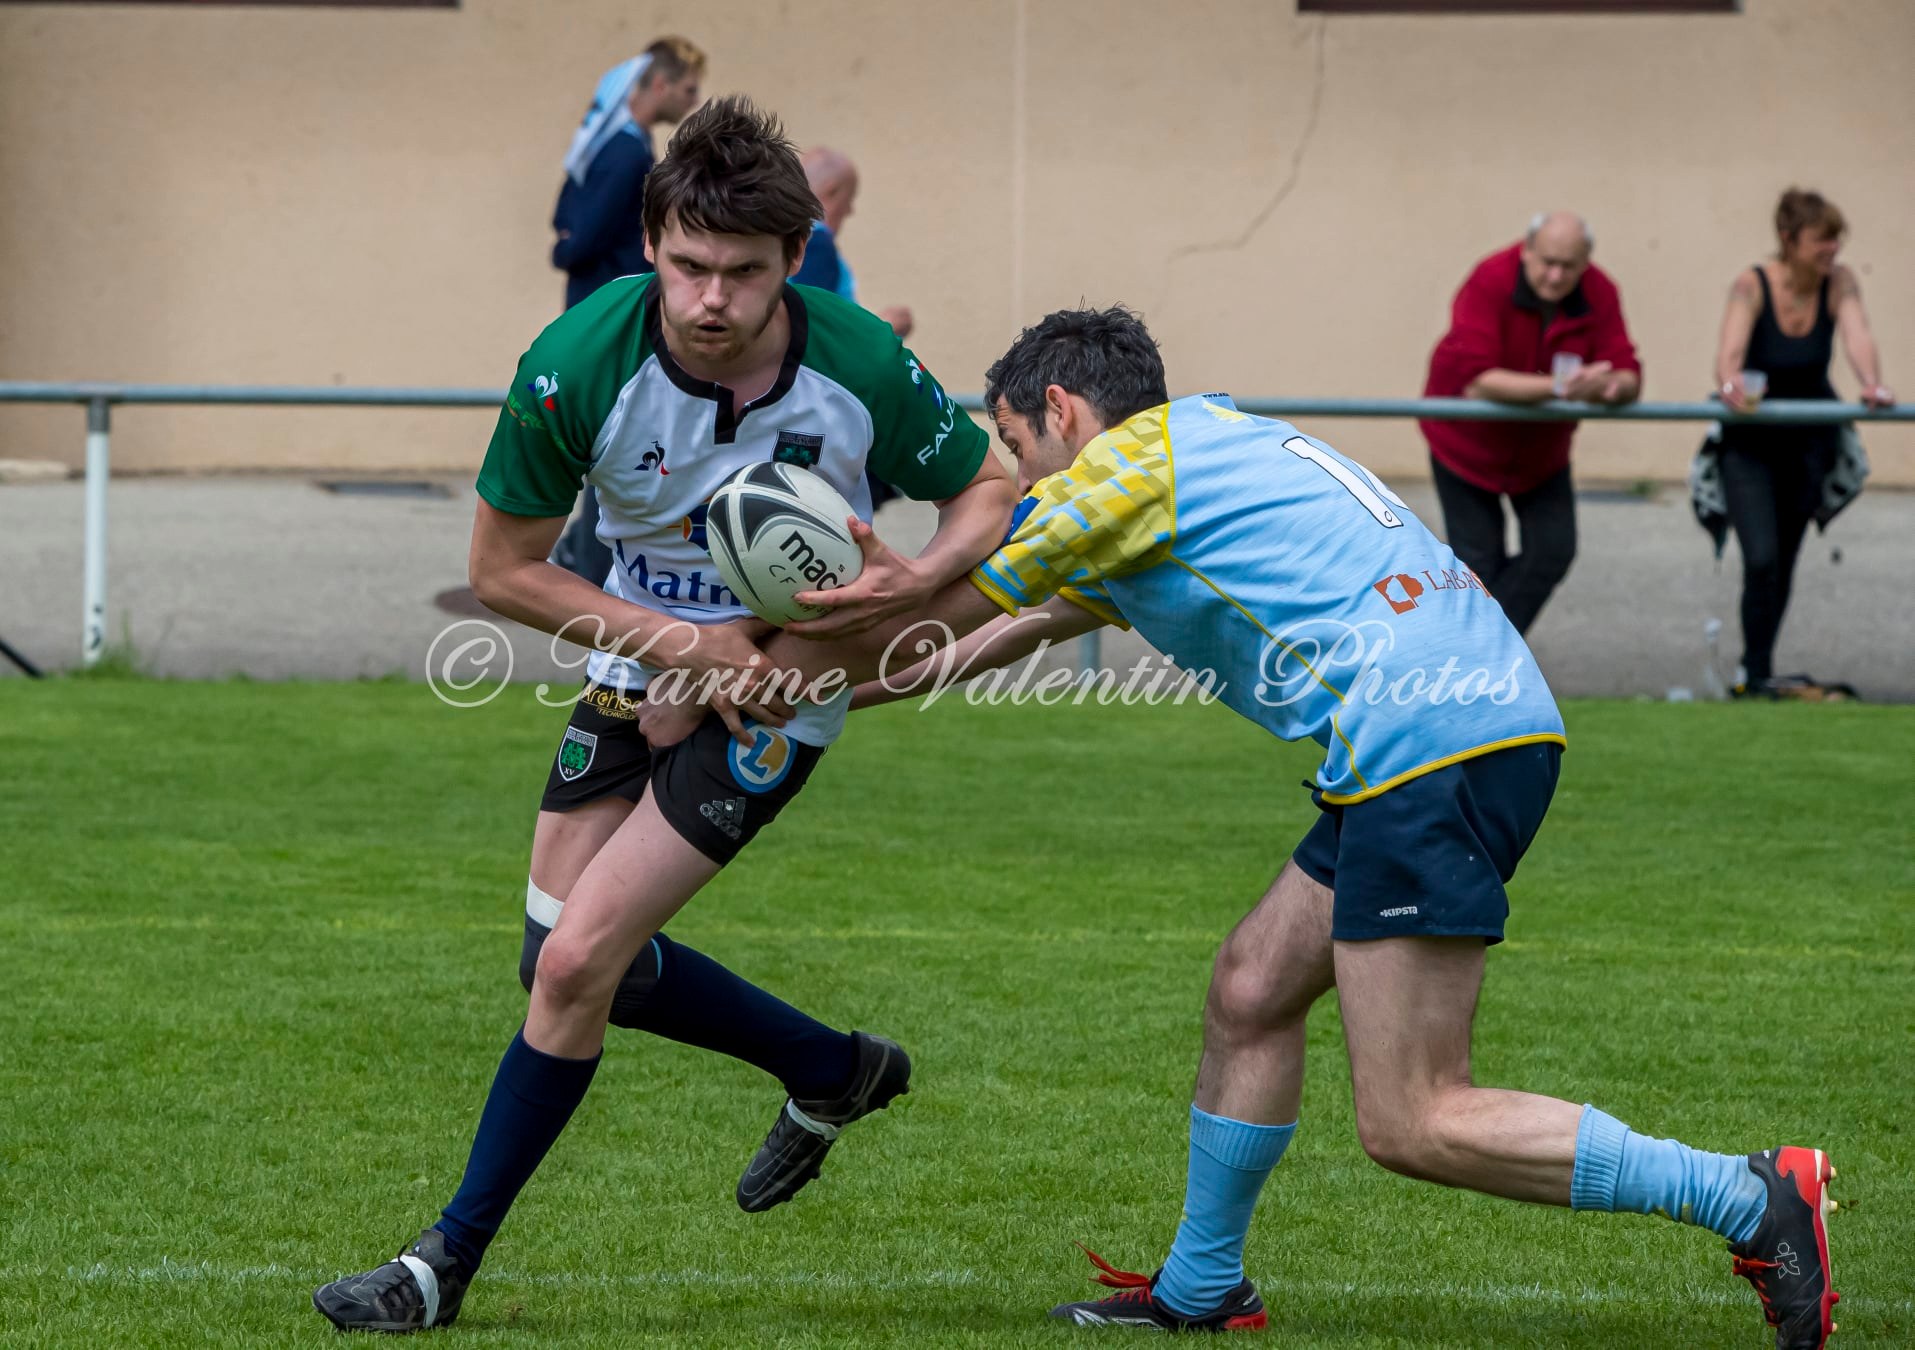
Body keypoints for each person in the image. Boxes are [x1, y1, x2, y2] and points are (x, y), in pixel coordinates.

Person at [718, 307, 1838, 1347]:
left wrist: (751, 659)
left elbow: (944, 607)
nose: (1017, 480)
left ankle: (1748, 1195)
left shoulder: (1120, 469)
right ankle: (1205, 1286)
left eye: (1014, 449)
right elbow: (974, 646)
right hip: (1436, 735)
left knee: (1412, 1118)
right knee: (1251, 988)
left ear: (1061, 412)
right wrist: (817, 694)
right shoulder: (1191, 460)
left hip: (1429, 744)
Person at [311, 97, 1014, 1334]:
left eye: (744, 273)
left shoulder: (854, 361)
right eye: (688, 265)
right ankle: (832, 1067)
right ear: (651, 243)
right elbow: (504, 573)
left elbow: (990, 489)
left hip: (779, 690)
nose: (709, 299)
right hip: (635, 665)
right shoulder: (577, 362)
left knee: (579, 964)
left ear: (794, 262)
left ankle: (439, 1267)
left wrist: (902, 581)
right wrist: (679, 650)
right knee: (563, 963)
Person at [1420, 212, 1642, 635]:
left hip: (1542, 454)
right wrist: (1562, 389)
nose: (1556, 276)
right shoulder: (1490, 279)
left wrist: (1611, 387)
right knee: (1479, 563)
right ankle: (1479, 660)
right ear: (1526, 251)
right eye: (1547, 262)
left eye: (1569, 266)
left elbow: (1628, 373)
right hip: (1462, 446)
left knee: (1553, 550)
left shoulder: (1600, 290)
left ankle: (1478, 653)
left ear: (1586, 262)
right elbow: (1480, 381)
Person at [1711, 187, 1893, 698]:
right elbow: (1728, 355)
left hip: (1808, 444)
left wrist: (1872, 383)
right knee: (1761, 556)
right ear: (1789, 240)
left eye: (1837, 239)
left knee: (1785, 559)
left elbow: (1858, 336)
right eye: (1821, 240)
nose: (1832, 250)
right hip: (1750, 443)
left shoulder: (1839, 283)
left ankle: (1760, 674)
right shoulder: (1752, 285)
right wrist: (1731, 384)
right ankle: (1753, 669)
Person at [550, 37, 707, 588]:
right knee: (616, 435)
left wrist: (568, 243)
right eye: (688, 88)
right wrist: (570, 247)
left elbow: (567, 216)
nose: (692, 99)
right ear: (659, 85)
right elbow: (579, 233)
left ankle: (581, 551)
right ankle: (590, 562)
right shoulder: (629, 153)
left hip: (594, 305)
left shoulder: (614, 142)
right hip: (614, 311)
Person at [792, 147, 914, 341]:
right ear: (830, 191)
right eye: (848, 200)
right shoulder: (816, 242)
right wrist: (882, 326)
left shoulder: (782, 238)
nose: (849, 211)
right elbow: (819, 328)